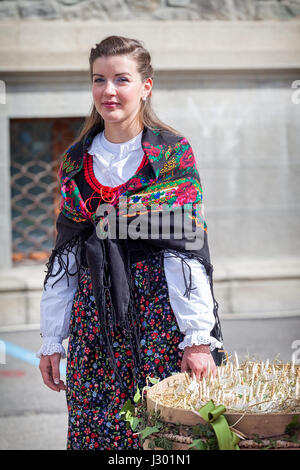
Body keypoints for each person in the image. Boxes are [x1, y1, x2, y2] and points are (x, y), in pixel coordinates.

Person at [36, 35, 225, 450]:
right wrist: (52, 338)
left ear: (146, 86)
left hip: (159, 322)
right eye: (98, 80)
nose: (108, 91)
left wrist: (196, 339)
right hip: (94, 327)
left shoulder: (171, 154)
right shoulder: (74, 159)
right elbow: (67, 254)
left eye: (121, 79)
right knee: (98, 436)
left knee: (169, 437)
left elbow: (185, 252)